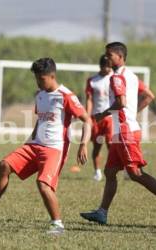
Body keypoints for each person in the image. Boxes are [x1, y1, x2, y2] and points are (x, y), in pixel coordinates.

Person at [0, 57, 92, 235]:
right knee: (4, 165)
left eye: (41, 78)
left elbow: (87, 120)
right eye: (36, 78)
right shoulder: (40, 95)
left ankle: (57, 225)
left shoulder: (66, 96)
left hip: (54, 149)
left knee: (43, 185)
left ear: (52, 76)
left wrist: (83, 145)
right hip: (34, 145)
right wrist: (30, 141)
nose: (38, 82)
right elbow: (40, 120)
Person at [80, 42, 156, 225]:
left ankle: (102, 212)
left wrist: (101, 115)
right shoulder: (131, 75)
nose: (107, 58)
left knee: (136, 173)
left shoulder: (116, 78)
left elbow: (120, 102)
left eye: (110, 55)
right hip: (122, 130)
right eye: (106, 55)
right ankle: (102, 213)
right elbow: (149, 95)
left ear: (120, 57)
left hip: (124, 131)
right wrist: (134, 111)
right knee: (110, 171)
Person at [85, 55, 113, 181]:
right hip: (96, 118)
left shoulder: (115, 78)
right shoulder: (92, 80)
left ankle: (116, 170)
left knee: (112, 146)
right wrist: (87, 117)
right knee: (97, 146)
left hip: (110, 117)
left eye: (110, 66)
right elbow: (89, 99)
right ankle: (97, 172)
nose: (108, 69)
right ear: (101, 66)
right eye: (106, 66)